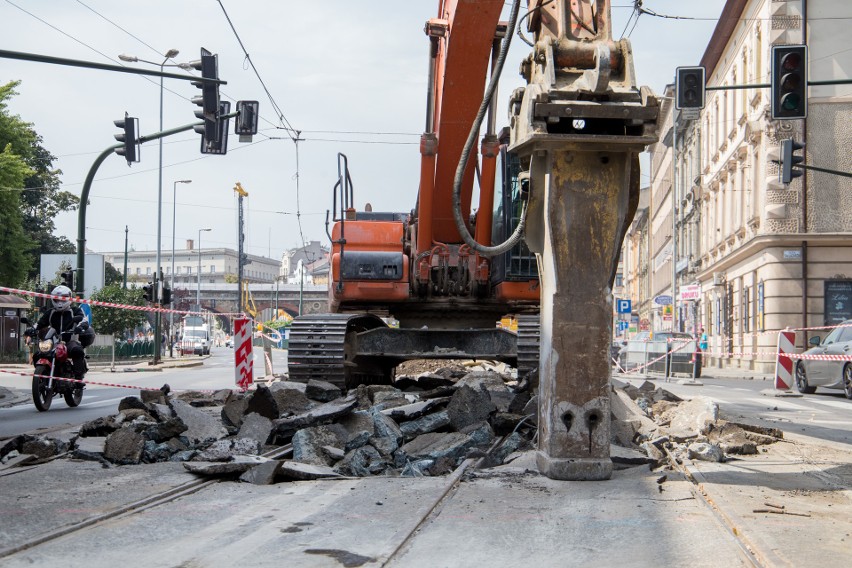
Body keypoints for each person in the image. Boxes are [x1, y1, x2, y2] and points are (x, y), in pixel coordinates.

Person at [35, 285, 92, 380]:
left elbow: (83, 320)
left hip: (69, 341)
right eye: (57, 299)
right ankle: (43, 374)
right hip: (52, 342)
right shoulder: (50, 312)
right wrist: (32, 329)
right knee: (38, 354)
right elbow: (39, 323)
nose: (60, 302)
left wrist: (80, 327)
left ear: (69, 298)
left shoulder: (75, 311)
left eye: (63, 298)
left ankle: (78, 379)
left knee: (77, 350)